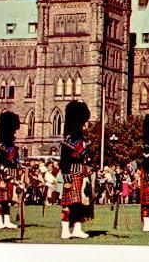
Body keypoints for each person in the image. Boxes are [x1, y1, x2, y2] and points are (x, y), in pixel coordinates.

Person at [58, 101, 92, 239]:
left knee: (80, 205)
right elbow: (64, 161)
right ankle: (65, 230)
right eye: (84, 123)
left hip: (81, 174)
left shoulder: (82, 139)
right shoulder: (69, 141)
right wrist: (67, 178)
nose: (85, 126)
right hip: (71, 174)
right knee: (68, 204)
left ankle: (77, 228)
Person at [0, 111, 21, 229]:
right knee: (0, 199)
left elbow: (15, 163)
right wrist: (6, 176)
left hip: (11, 176)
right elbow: (0, 164)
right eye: (13, 132)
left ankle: (7, 220)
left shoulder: (13, 148)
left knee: (7, 199)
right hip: (3, 176)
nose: (15, 135)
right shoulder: (2, 149)